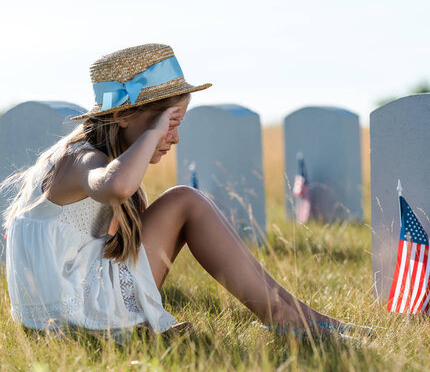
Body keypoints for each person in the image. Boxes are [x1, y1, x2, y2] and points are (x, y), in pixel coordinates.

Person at [1, 44, 363, 343]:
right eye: (167, 123)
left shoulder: (91, 157)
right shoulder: (79, 159)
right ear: (123, 116)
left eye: (176, 124)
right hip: (73, 318)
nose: (172, 137)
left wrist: (153, 127)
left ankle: (306, 317)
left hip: (70, 310)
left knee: (184, 200)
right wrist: (154, 131)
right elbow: (118, 186)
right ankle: (286, 316)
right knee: (185, 201)